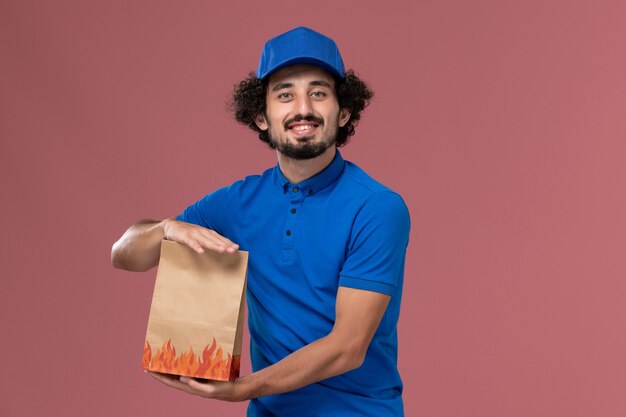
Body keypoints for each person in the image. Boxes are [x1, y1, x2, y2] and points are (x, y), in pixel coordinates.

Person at [111, 26, 410, 417]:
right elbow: (124, 253)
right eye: (285, 94)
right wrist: (166, 227)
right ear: (261, 116)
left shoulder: (377, 208)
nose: (303, 108)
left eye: (318, 93)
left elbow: (347, 348)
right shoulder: (237, 203)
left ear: (345, 111)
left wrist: (241, 389)